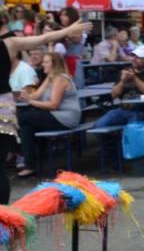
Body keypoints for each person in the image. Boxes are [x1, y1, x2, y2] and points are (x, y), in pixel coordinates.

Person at [0, 19, 93, 198]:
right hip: (4, 111)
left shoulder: (9, 43)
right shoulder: (9, 44)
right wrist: (67, 30)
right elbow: (43, 38)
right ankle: (3, 214)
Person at [16, 52, 82, 178]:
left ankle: (22, 157)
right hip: (55, 115)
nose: (43, 64)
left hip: (66, 117)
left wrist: (30, 101)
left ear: (54, 65)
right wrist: (24, 95)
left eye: (46, 62)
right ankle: (29, 165)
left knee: (22, 118)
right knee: (26, 127)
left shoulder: (60, 78)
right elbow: (36, 95)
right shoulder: (51, 77)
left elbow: (53, 105)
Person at [93, 45, 144, 129]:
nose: (133, 59)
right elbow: (113, 95)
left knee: (132, 129)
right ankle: (114, 142)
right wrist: (122, 81)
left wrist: (134, 78)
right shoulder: (125, 71)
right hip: (122, 109)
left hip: (142, 110)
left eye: (138, 57)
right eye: (133, 56)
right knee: (98, 126)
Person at [58, 7, 86, 77]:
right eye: (61, 15)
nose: (61, 17)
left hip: (74, 63)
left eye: (64, 15)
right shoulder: (62, 30)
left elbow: (76, 38)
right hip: (62, 62)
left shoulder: (78, 29)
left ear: (71, 16)